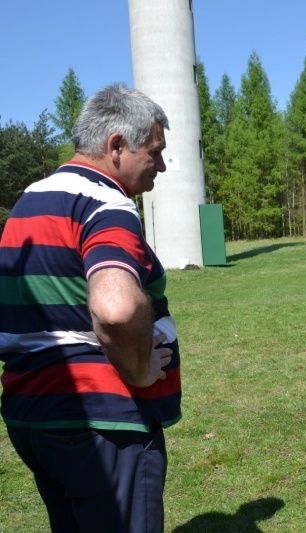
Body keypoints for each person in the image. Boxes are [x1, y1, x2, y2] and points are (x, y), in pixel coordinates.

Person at [0, 83, 181, 532]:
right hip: (102, 426)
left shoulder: (27, 203)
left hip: (33, 415)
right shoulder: (105, 203)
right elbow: (116, 306)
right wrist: (139, 370)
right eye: (154, 152)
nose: (161, 165)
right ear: (116, 146)